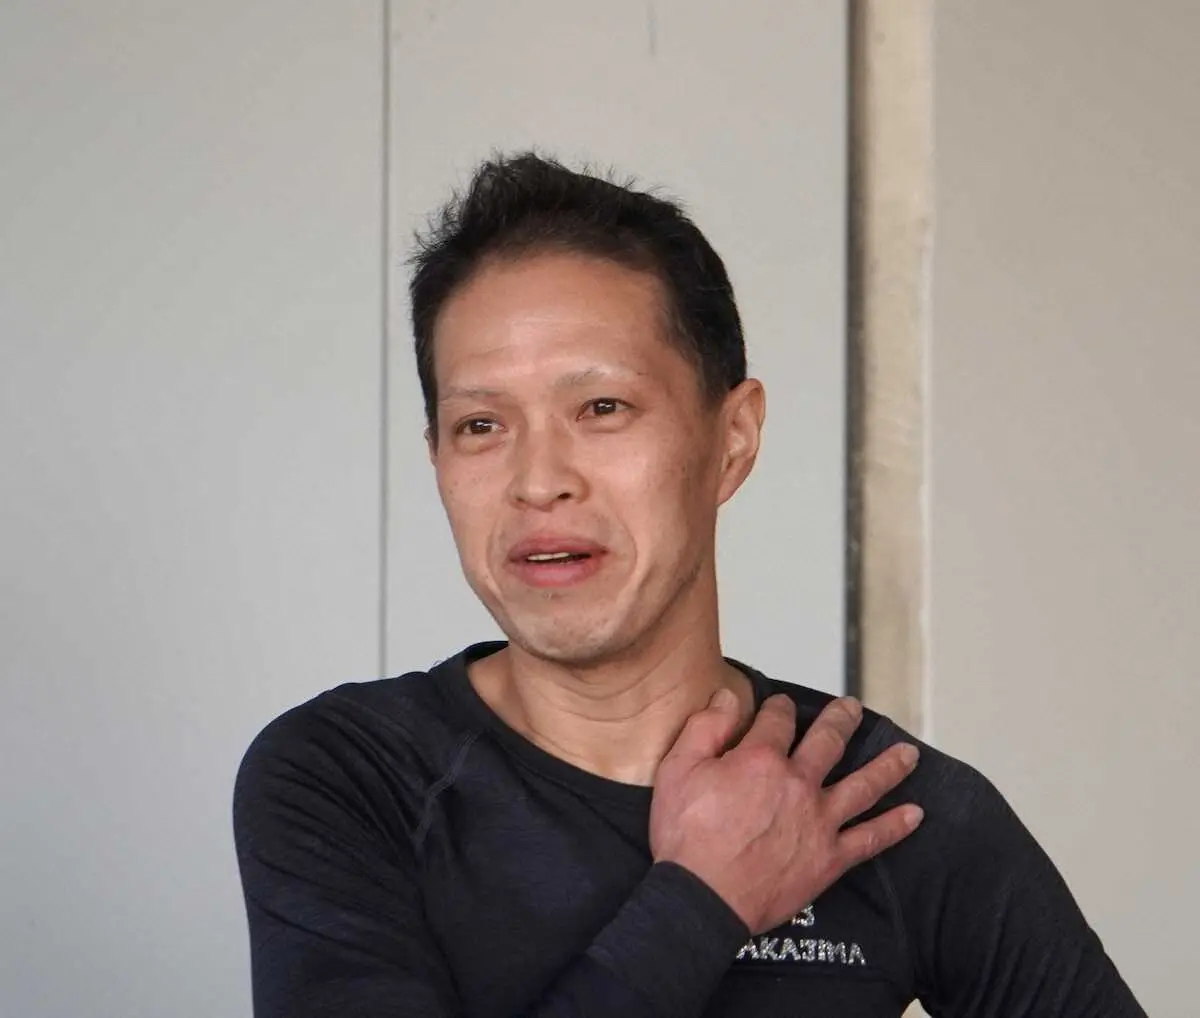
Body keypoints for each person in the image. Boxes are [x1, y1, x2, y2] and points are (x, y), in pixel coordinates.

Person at [233, 153, 1144, 1017]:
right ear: (435, 456)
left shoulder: (878, 802)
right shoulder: (348, 779)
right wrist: (702, 899)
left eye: (602, 408)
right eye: (480, 425)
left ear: (732, 439)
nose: (537, 481)